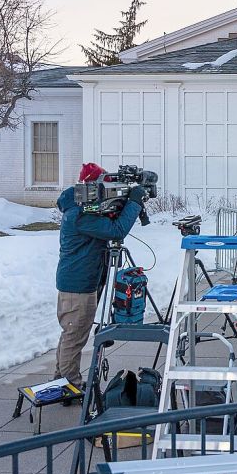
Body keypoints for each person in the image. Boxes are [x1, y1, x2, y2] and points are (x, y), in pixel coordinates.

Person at [55, 163, 145, 388]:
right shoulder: (80, 214)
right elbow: (116, 230)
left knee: (72, 333)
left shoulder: (82, 208)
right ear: (91, 186)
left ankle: (61, 380)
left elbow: (110, 223)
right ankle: (69, 384)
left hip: (82, 280)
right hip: (78, 285)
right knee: (74, 335)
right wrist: (133, 203)